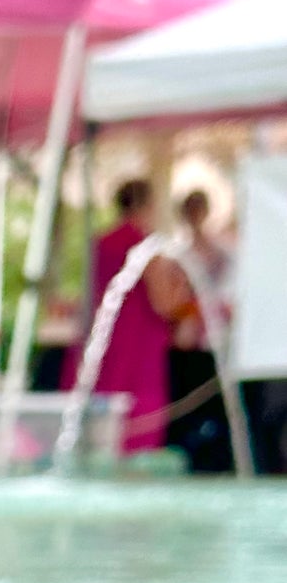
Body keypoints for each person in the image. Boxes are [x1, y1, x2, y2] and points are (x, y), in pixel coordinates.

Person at [89, 179, 192, 454]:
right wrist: (181, 287)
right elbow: (164, 303)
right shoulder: (146, 247)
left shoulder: (100, 243)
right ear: (148, 205)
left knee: (100, 421)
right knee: (136, 426)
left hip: (102, 343)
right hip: (137, 347)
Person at [169, 188, 234, 473]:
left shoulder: (222, 251)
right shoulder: (176, 251)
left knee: (212, 400)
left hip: (212, 336)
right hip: (187, 335)